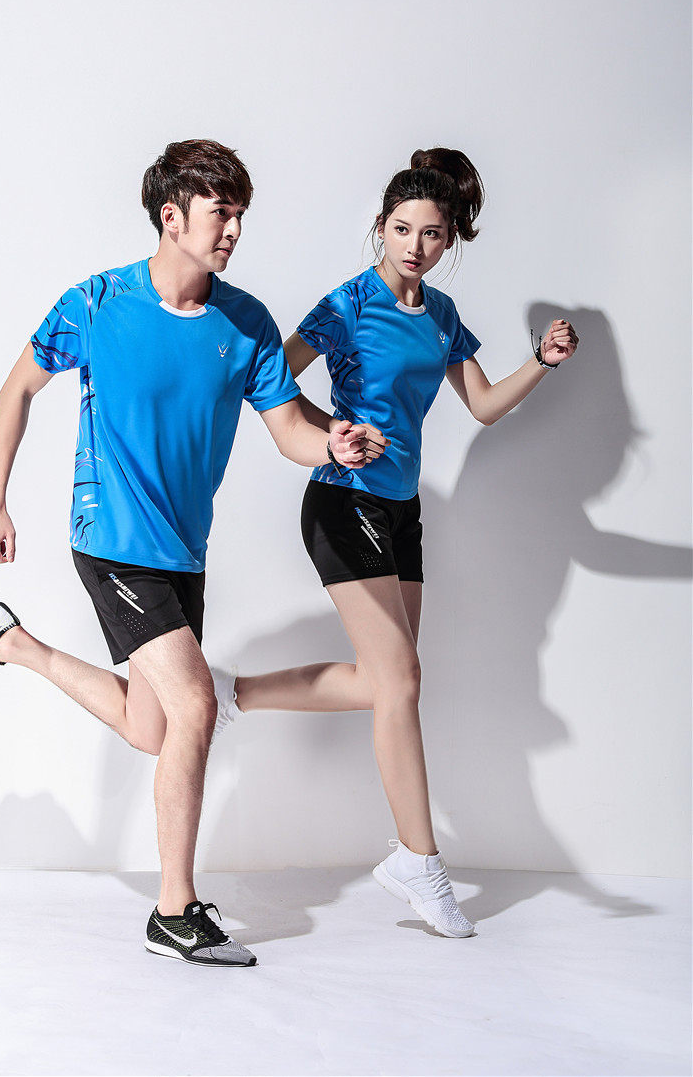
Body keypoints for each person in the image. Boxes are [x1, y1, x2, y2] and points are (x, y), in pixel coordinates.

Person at [0, 139, 386, 968]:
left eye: (241, 214)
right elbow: (18, 387)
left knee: (153, 728)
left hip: (184, 550)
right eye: (222, 213)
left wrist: (333, 444)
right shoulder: (97, 303)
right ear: (171, 217)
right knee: (196, 707)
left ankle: (9, 643)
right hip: (111, 539)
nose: (235, 229)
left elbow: (290, 429)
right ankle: (174, 911)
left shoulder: (246, 323)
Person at [213, 147, 579, 938]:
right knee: (403, 679)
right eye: (403, 229)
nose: (415, 245)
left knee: (388, 685)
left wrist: (541, 363)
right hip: (342, 501)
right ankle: (420, 860)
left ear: (449, 241)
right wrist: (331, 431)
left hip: (402, 513)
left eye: (432, 234)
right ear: (380, 227)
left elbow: (483, 405)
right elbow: (267, 379)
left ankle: (231, 694)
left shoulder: (440, 316)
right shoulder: (348, 304)